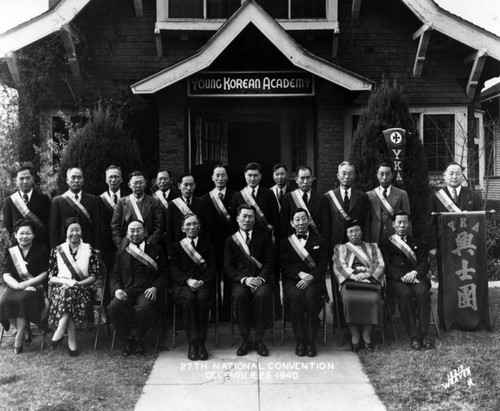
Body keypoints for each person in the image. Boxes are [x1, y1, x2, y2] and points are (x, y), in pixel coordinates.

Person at [428, 162, 482, 326]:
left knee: (466, 281)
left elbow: (479, 220)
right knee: (447, 282)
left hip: (467, 247)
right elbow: (430, 223)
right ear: (444, 176)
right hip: (445, 246)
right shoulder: (436, 197)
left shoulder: (472, 196)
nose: (454, 176)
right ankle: (447, 319)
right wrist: (433, 246)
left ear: (462, 176)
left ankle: (468, 318)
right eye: (450, 173)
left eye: (458, 173)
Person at [108, 220, 167, 356]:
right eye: (132, 230)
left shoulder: (156, 249)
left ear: (145, 232)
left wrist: (155, 288)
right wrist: (117, 289)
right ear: (127, 234)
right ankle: (128, 339)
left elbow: (164, 274)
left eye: (138, 230)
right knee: (113, 307)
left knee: (144, 308)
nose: (135, 233)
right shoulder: (121, 252)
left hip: (148, 289)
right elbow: (114, 276)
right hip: (128, 290)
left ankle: (140, 339)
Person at [224, 204, 275, 357]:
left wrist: (260, 278)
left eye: (250, 216)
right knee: (239, 297)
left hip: (261, 280)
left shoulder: (264, 237)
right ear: (237, 218)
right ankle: (246, 338)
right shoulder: (230, 240)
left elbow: (270, 261)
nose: (247, 219)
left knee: (263, 296)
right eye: (244, 216)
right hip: (242, 282)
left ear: (255, 219)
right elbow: (228, 266)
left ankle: (259, 338)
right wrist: (245, 280)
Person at [280, 208, 327, 357]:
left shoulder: (319, 241)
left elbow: (322, 265)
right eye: (297, 220)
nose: (301, 222)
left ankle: (311, 340)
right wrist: (299, 274)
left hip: (314, 281)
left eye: (303, 219)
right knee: (296, 297)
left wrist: (310, 277)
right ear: (292, 223)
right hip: (293, 281)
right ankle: (300, 339)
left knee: (312, 298)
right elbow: (284, 266)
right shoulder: (285, 243)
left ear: (309, 221)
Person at [48, 217, 98, 356]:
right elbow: (51, 276)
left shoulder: (89, 250)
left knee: (70, 293)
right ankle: (71, 341)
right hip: (61, 289)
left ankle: (60, 330)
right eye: (71, 230)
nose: (75, 233)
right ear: (66, 232)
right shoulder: (57, 251)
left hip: (83, 289)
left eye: (78, 230)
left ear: (81, 232)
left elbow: (94, 275)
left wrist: (78, 283)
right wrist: (68, 283)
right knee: (68, 292)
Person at [169, 214, 216, 361]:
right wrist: (187, 281)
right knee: (189, 300)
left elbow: (213, 268)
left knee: (202, 299)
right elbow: (173, 269)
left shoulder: (208, 246)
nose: (192, 227)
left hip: (203, 284)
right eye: (188, 225)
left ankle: (201, 343)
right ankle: (192, 342)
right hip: (184, 285)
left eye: (194, 224)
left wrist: (202, 281)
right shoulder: (176, 247)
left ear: (199, 226)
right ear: (183, 228)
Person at [383, 211, 432, 350]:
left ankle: (424, 334)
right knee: (405, 295)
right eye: (399, 222)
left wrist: (415, 272)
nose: (402, 225)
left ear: (409, 224)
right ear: (393, 224)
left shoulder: (417, 242)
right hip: (397, 280)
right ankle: (414, 336)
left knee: (423, 293)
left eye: (405, 222)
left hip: (416, 277)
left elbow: (424, 263)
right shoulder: (387, 243)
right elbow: (387, 265)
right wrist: (402, 276)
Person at [333, 220, 385, 352]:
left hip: (369, 280)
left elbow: (379, 263)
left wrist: (367, 274)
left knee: (374, 300)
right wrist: (353, 276)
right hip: (350, 281)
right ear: (346, 234)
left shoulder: (372, 246)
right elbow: (339, 266)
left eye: (357, 230)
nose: (354, 234)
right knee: (349, 300)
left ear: (362, 232)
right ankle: (354, 334)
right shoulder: (341, 248)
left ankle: (366, 334)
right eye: (350, 231)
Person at [0, 220, 49, 354]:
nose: (24, 236)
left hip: (35, 286)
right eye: (21, 233)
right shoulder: (11, 252)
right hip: (16, 286)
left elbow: (45, 273)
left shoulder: (41, 249)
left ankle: (19, 338)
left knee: (22, 301)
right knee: (4, 302)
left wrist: (27, 284)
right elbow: (6, 274)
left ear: (33, 235)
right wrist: (18, 285)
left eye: (28, 233)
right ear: (15, 234)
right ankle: (26, 331)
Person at [201, 165, 235, 319]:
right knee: (212, 277)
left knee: (229, 277)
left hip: (230, 245)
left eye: (223, 175)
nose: (220, 178)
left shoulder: (235, 197)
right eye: (217, 175)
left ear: (227, 177)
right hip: (212, 245)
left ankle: (227, 311)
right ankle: (214, 313)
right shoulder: (204, 199)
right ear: (213, 178)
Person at [319, 161, 371, 254]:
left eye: (350, 174)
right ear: (338, 176)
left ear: (354, 177)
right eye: (343, 173)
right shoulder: (328, 197)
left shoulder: (362, 197)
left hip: (357, 245)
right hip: (335, 244)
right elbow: (325, 225)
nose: (346, 177)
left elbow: (366, 223)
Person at [49, 167, 101, 250]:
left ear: (83, 180)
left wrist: (97, 249)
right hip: (64, 249)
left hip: (87, 248)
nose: (76, 181)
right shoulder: (57, 201)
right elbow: (53, 230)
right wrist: (55, 250)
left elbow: (97, 228)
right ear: (67, 180)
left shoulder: (93, 200)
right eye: (73, 178)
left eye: (79, 177)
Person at [111, 171, 163, 249]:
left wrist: (149, 244)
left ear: (145, 184)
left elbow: (159, 227)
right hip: (126, 245)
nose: (138, 186)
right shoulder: (122, 202)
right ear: (129, 185)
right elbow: (115, 226)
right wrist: (120, 244)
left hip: (148, 244)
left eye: (141, 182)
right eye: (135, 183)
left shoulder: (154, 202)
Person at [3, 164, 51, 245]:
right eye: (21, 179)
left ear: (32, 178)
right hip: (18, 245)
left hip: (39, 245)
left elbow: (48, 222)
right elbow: (8, 224)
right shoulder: (9, 201)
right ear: (16, 180)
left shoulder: (43, 199)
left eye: (28, 178)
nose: (25, 181)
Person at [366, 162, 410, 247]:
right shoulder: (369, 195)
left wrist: (407, 241)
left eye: (387, 174)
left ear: (392, 175)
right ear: (377, 175)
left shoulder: (402, 194)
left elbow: (407, 220)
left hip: (396, 239)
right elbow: (366, 221)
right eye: (381, 174)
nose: (384, 177)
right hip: (375, 239)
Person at [231, 162, 280, 238]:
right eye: (249, 175)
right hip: (244, 237)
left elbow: (275, 217)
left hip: (265, 236)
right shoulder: (237, 196)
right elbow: (234, 220)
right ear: (245, 175)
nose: (252, 179)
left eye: (255, 175)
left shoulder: (269, 193)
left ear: (260, 176)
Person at [280, 166, 321, 239]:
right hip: (294, 241)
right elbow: (283, 224)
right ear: (296, 180)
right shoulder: (289, 197)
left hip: (315, 241)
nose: (305, 181)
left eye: (308, 178)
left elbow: (325, 225)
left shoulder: (321, 198)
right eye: (302, 178)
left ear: (312, 179)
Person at [167, 174, 206, 249]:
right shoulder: (172, 205)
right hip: (179, 247)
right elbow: (170, 231)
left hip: (198, 246)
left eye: (191, 185)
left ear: (194, 186)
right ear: (179, 186)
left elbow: (205, 227)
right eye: (185, 185)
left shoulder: (201, 202)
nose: (188, 188)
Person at [153, 169, 180, 246]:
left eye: (165, 179)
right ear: (156, 181)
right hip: (157, 239)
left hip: (174, 237)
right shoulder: (151, 199)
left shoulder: (178, 198)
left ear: (170, 180)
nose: (162, 181)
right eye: (160, 179)